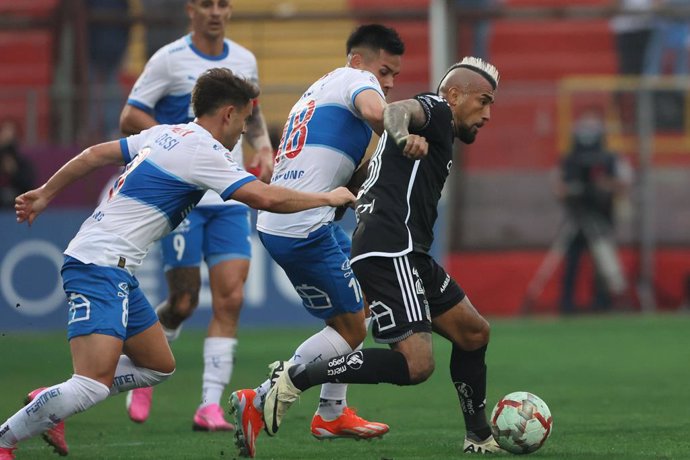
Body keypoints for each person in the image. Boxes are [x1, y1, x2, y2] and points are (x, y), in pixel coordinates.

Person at [0, 68, 355, 460]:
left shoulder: (166, 133)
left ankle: (52, 401)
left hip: (114, 268)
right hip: (97, 265)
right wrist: (326, 198)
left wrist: (45, 194)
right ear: (228, 113)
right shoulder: (204, 152)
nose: (243, 132)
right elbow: (265, 199)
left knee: (157, 364)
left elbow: (94, 154)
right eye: (244, 120)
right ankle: (7, 438)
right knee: (92, 385)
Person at [255, 57, 504, 455]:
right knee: (416, 365)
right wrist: (404, 134)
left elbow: (377, 168)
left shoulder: (441, 131)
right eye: (484, 101)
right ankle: (296, 377)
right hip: (392, 249)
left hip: (408, 250)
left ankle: (478, 436)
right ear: (455, 95)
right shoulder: (436, 109)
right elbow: (398, 110)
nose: (488, 114)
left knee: (474, 333)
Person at [228, 24, 405, 458]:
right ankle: (266, 394)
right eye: (384, 71)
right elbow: (377, 113)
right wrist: (412, 133)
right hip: (303, 227)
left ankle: (332, 411)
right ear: (359, 60)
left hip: (288, 221)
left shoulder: (316, 90)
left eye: (395, 76)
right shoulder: (356, 82)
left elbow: (333, 166)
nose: (388, 83)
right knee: (350, 328)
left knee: (355, 311)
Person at [119, 0, 275, 431]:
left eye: (222, 4)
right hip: (184, 194)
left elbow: (253, 112)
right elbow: (130, 115)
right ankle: (140, 370)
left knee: (231, 299)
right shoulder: (169, 59)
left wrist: (262, 145)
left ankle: (209, 406)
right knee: (185, 301)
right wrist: (172, 140)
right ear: (191, 9)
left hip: (227, 192)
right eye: (206, 3)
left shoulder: (244, 59)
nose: (215, 12)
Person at [554, 109, 632, 314]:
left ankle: (604, 302)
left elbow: (624, 182)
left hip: (602, 217)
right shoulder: (569, 159)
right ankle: (567, 303)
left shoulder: (610, 158)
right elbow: (560, 187)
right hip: (577, 219)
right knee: (572, 261)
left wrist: (604, 185)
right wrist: (571, 189)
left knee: (603, 263)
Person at [0, 119, 35, 209]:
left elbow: (27, 185)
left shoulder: (21, 160)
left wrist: (14, 171)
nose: (6, 135)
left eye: (10, 131)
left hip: (16, 198)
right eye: (4, 131)